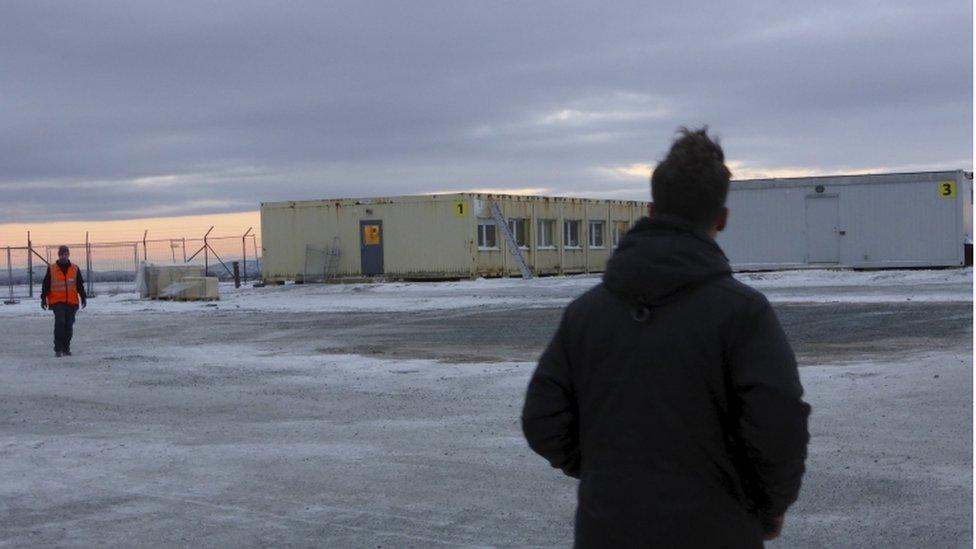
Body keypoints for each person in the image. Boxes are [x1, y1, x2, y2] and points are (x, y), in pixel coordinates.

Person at [521, 127, 810, 547]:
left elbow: (542, 419)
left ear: (651, 211)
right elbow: (778, 425)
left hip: (608, 529)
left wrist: (608, 474)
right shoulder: (743, 313)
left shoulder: (585, 314)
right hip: (718, 531)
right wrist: (767, 507)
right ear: (722, 218)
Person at [41, 245, 87, 357]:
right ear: (59, 255)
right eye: (62, 254)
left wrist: (83, 297)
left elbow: (79, 285)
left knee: (69, 325)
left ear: (68, 254)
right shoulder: (52, 269)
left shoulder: (75, 268)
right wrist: (43, 298)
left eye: (66, 254)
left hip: (72, 302)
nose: (64, 256)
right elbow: (46, 285)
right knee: (60, 323)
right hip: (57, 302)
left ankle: (66, 348)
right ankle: (58, 349)